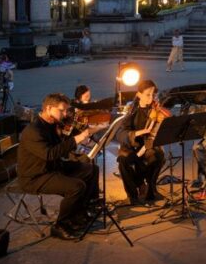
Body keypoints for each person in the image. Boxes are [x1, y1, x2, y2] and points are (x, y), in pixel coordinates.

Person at [17, 93, 98, 240]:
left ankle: (80, 213)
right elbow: (50, 154)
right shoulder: (33, 131)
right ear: (48, 108)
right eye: (61, 110)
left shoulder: (51, 125)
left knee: (91, 170)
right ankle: (60, 225)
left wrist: (75, 131)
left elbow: (61, 149)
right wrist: (77, 139)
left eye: (66, 110)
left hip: (53, 168)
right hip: (35, 177)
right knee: (76, 186)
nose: (65, 114)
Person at [116, 80, 166, 206]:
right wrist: (139, 132)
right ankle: (132, 195)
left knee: (158, 155)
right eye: (148, 94)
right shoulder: (131, 110)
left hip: (148, 145)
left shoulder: (155, 109)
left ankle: (150, 190)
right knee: (123, 159)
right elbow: (121, 133)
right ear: (139, 94)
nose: (151, 98)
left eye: (153, 94)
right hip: (131, 146)